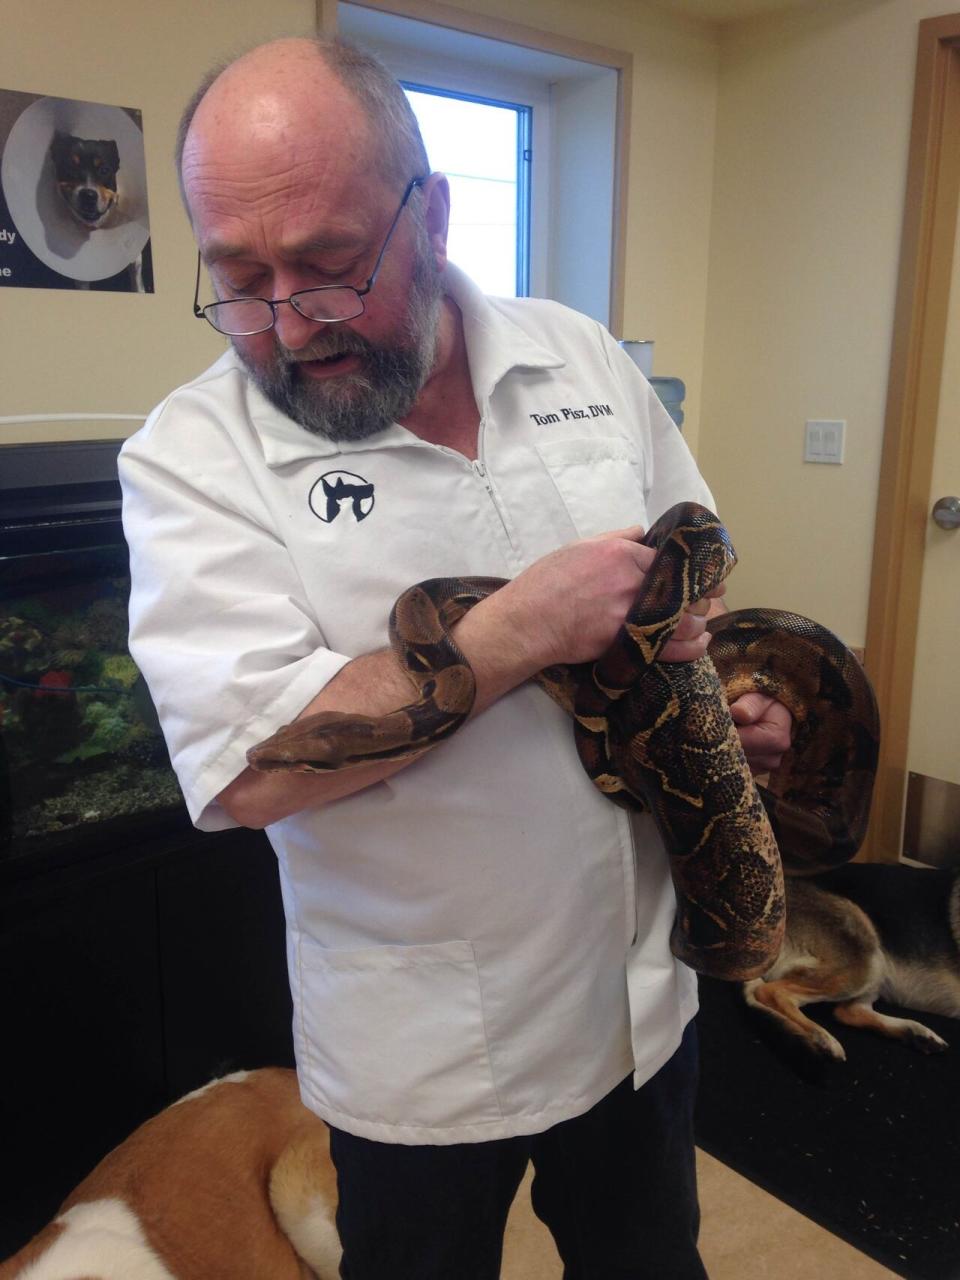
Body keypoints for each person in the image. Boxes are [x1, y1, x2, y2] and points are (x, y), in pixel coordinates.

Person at [119, 35, 791, 1280]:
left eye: (326, 266)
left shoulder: (580, 357)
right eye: (238, 277)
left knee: (650, 1259)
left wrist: (721, 702)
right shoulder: (188, 459)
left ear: (430, 215)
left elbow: (690, 572)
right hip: (423, 1044)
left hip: (639, 995)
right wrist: (523, 626)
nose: (284, 322)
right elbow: (243, 774)